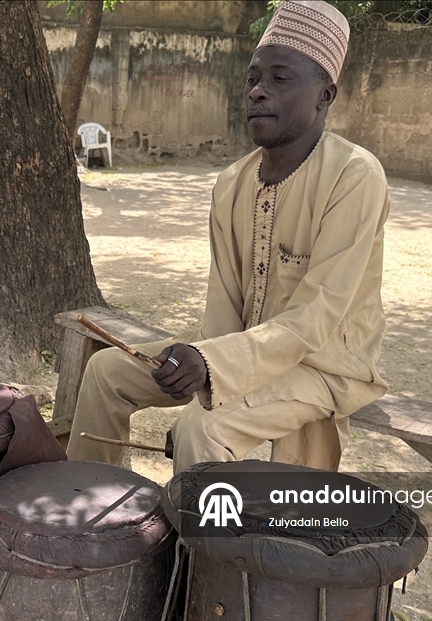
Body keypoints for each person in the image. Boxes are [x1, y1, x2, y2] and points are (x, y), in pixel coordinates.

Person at [67, 0, 389, 475]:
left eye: (279, 79)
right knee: (105, 373)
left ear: (325, 94)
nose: (258, 91)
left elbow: (316, 319)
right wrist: (202, 358)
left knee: (202, 427)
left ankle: (198, 550)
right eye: (253, 78)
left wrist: (211, 365)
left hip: (325, 366)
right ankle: (93, 511)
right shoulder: (232, 183)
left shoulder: (355, 175)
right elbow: (223, 305)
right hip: (236, 350)